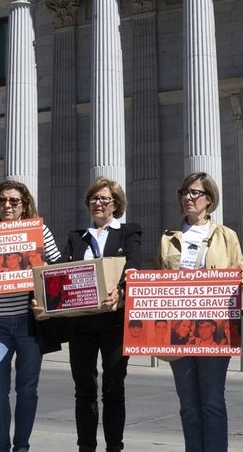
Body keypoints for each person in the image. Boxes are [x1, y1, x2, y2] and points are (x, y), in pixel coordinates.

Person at [156, 172, 243, 452]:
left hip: (214, 328)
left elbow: (242, 274)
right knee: (188, 405)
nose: (188, 197)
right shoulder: (168, 237)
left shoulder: (226, 236)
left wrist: (236, 279)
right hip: (179, 330)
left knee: (212, 402)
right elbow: (160, 277)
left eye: (195, 193)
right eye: (184, 192)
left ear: (209, 199)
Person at [60, 178, 145, 452]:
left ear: (116, 204)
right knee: (84, 390)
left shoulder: (128, 232)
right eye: (94, 199)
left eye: (104, 199)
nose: (98, 203)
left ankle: (114, 447)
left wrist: (121, 289)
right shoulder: (76, 237)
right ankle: (86, 446)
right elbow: (61, 271)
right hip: (81, 323)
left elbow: (134, 264)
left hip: (114, 321)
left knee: (113, 388)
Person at [0, 180, 63, 452]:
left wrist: (41, 266)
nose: (7, 205)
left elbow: (58, 268)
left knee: (27, 388)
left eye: (14, 201)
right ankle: (0, 446)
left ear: (25, 205)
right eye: (1, 200)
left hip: (30, 322)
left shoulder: (40, 231)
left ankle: (22, 446)